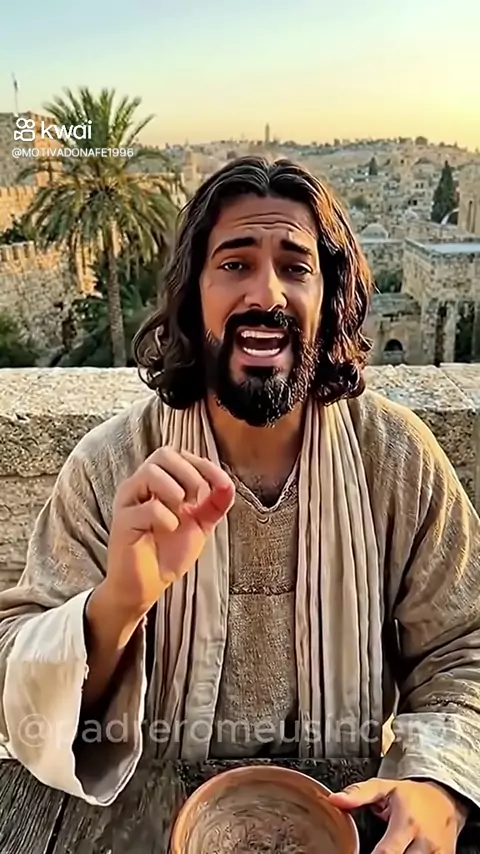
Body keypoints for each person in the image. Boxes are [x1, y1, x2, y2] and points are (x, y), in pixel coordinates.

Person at [0, 156, 479, 853]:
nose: (267, 293)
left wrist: (436, 781)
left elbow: (464, 644)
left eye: (295, 266)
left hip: (348, 822)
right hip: (149, 823)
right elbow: (16, 683)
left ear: (329, 297)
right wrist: (118, 603)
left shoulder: (395, 460)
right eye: (234, 264)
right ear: (192, 294)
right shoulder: (113, 467)